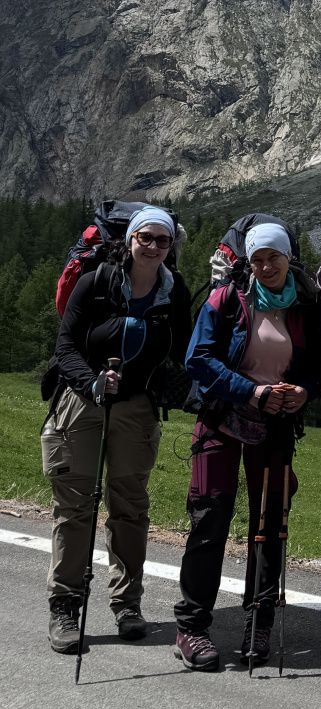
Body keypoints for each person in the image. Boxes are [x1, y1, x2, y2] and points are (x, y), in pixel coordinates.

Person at [173, 221, 321, 671]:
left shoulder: (305, 303)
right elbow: (197, 358)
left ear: (288, 258)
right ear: (248, 262)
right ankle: (191, 627)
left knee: (269, 524)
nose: (266, 266)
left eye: (274, 257)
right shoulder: (227, 299)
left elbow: (318, 365)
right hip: (221, 418)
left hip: (275, 425)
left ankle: (259, 621)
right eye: (257, 259)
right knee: (210, 517)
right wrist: (251, 392)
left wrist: (305, 391)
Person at [42, 205, 192, 653]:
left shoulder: (175, 291)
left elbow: (185, 350)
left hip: (136, 409)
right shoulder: (96, 282)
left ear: (170, 246)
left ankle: (127, 604)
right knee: (75, 507)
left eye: (162, 240)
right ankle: (65, 605)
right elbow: (65, 346)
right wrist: (91, 381)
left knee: (130, 508)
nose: (153, 246)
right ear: (130, 240)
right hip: (81, 403)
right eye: (145, 237)